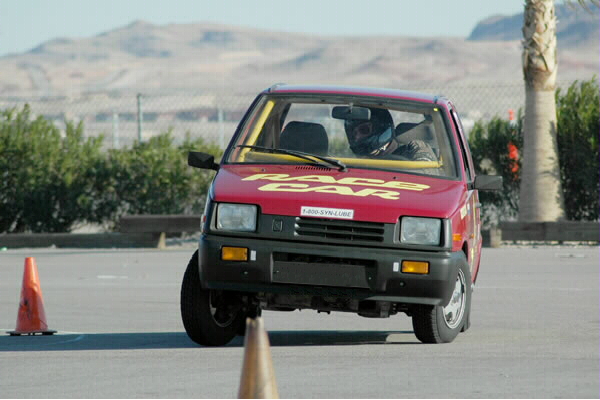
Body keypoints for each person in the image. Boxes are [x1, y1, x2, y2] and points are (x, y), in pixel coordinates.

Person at [344, 107, 436, 162]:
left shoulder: (414, 149)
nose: (357, 138)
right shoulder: (350, 162)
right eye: (353, 133)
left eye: (364, 130)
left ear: (380, 128)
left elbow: (427, 177)